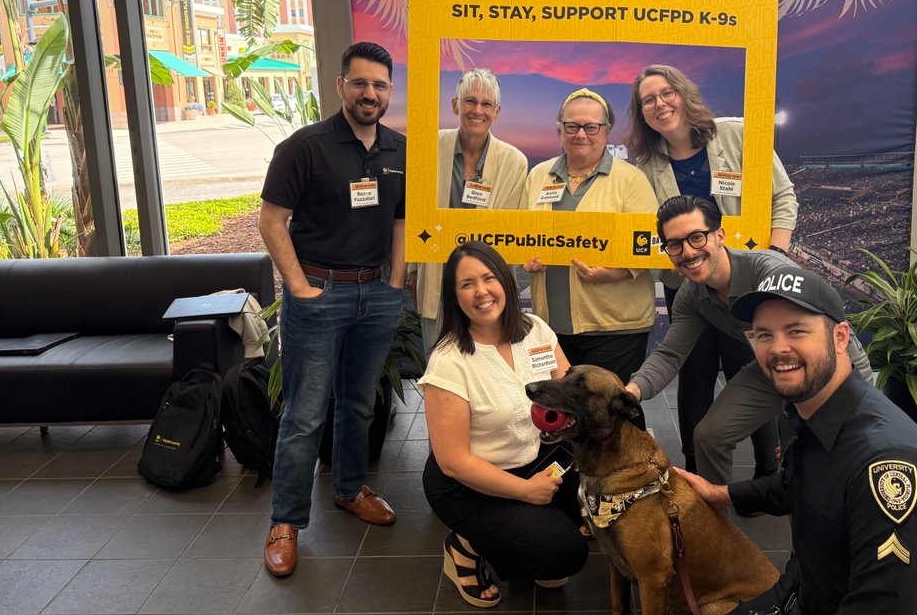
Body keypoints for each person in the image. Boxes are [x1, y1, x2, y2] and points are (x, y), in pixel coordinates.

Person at [682, 263, 917, 615]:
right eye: (764, 335)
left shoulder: (888, 464)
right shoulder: (815, 411)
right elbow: (796, 484)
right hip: (810, 599)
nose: (778, 348)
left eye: (796, 331)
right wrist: (718, 493)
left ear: (841, 337)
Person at [259, 41, 408, 578]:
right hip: (319, 295)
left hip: (377, 296)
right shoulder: (305, 147)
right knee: (304, 416)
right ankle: (286, 522)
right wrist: (299, 288)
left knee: (360, 406)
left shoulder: (398, 149)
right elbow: (272, 221)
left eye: (380, 85)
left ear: (390, 92)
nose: (371, 93)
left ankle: (349, 489)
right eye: (361, 83)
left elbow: (399, 222)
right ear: (342, 85)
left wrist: (394, 282)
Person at [625, 196, 873, 487]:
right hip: (770, 365)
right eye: (675, 244)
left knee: (836, 455)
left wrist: (805, 414)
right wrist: (631, 392)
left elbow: (826, 342)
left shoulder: (772, 273)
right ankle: (715, 521)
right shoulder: (692, 295)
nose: (688, 252)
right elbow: (669, 354)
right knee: (709, 435)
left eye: (696, 237)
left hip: (825, 365)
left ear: (720, 235)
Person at [627, 64, 798, 476]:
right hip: (685, 285)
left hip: (746, 282)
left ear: (684, 93)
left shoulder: (735, 134)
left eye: (665, 93)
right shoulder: (646, 165)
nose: (659, 104)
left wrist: (772, 258)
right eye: (647, 100)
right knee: (695, 376)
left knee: (752, 368)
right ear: (642, 114)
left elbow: (783, 195)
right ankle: (694, 470)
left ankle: (766, 470)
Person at [420, 241, 588, 607]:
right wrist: (525, 492)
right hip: (469, 484)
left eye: (488, 278)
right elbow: (453, 462)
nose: (481, 291)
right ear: (455, 296)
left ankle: (527, 537)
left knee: (590, 505)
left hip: (537, 456)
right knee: (565, 553)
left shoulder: (536, 330)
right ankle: (465, 547)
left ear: (506, 282)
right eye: (467, 284)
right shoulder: (449, 362)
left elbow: (569, 391)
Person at [522, 88, 659, 384]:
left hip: (614, 328)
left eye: (591, 126)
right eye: (571, 125)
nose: (580, 134)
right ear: (559, 128)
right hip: (552, 326)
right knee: (561, 413)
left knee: (608, 415)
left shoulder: (631, 180)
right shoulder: (538, 176)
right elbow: (524, 235)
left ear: (607, 131)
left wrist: (614, 273)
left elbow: (649, 247)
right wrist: (527, 258)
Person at [408, 69, 527, 352]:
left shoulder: (515, 162)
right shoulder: (427, 148)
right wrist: (413, 268)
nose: (477, 110)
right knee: (439, 367)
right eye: (470, 101)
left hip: (486, 287)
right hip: (438, 277)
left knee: (486, 368)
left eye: (486, 104)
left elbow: (510, 233)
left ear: (496, 111)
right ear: (455, 105)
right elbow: (415, 214)